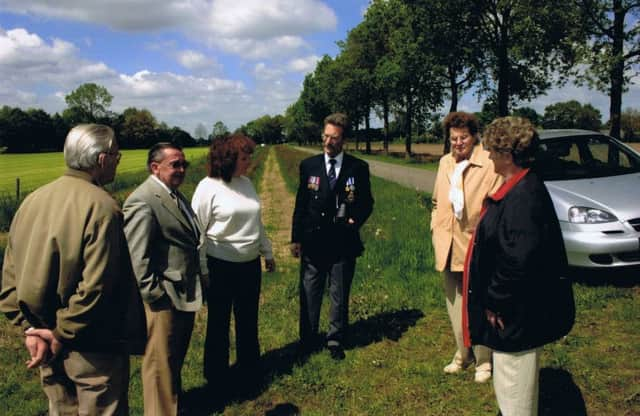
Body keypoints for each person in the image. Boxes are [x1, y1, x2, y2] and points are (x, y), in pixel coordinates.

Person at [0, 124, 146, 415]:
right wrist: (59, 333)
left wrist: (33, 329)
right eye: (117, 154)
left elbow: (9, 281)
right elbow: (97, 287)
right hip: (93, 345)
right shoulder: (103, 207)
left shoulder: (31, 201)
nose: (118, 160)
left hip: (43, 339)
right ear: (102, 159)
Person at [463, 116, 575, 416]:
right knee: (514, 385)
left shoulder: (523, 197)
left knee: (514, 392)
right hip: (517, 314)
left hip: (515, 317)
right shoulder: (522, 186)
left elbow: (518, 260)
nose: (487, 156)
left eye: (492, 151)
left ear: (508, 155)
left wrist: (495, 303)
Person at [191, 134, 276, 397]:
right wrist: (203, 269)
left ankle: (249, 371)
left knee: (248, 321)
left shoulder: (246, 183)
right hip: (221, 266)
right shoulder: (208, 187)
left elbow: (256, 222)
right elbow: (198, 233)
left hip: (249, 265)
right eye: (244, 157)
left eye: (249, 156)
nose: (249, 161)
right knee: (218, 323)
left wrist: (267, 252)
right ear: (227, 159)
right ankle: (216, 378)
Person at [123, 142, 204, 416]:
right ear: (155, 167)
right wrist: (155, 295)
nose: (181, 169)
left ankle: (173, 406)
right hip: (163, 298)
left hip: (181, 292)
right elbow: (138, 257)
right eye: (175, 165)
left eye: (183, 164)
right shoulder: (142, 199)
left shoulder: (174, 194)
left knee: (171, 360)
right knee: (159, 365)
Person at [291, 112, 374, 360]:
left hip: (342, 241)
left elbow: (366, 202)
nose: (328, 142)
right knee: (310, 291)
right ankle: (308, 338)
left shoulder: (358, 168)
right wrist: (296, 238)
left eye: (334, 138)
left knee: (339, 293)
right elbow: (301, 204)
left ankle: (335, 339)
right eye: (325, 136)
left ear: (344, 140)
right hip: (313, 241)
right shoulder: (309, 166)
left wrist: (354, 220)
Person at [431, 111, 502, 383]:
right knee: (454, 304)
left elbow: (495, 208)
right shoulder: (445, 163)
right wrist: (435, 226)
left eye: (463, 138)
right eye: (453, 139)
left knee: (479, 303)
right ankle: (463, 353)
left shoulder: (488, 162)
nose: (458, 144)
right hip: (446, 245)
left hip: (475, 246)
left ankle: (484, 361)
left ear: (474, 137)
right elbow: (437, 201)